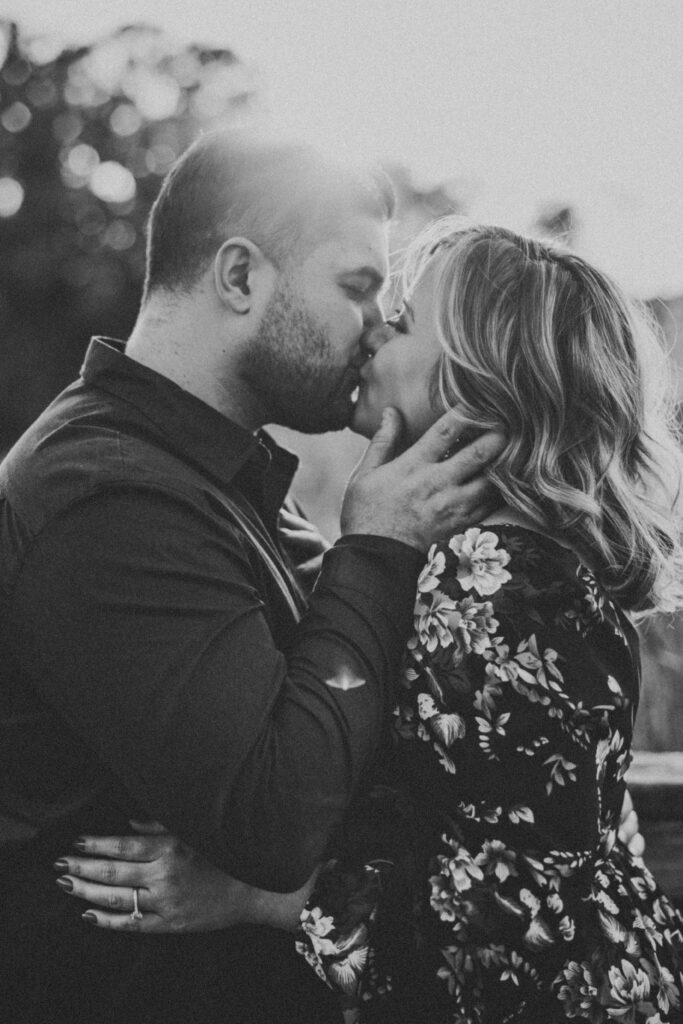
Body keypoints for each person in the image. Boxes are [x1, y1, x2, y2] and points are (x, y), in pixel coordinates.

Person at [61, 220, 683, 1023]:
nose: (375, 330)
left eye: (407, 320)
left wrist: (261, 897)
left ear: (477, 383)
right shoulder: (499, 562)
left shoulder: (494, 579)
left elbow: (529, 914)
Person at [0, 134, 504, 1024]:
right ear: (239, 278)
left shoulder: (223, 479)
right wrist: (379, 549)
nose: (379, 328)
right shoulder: (105, 498)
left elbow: (351, 748)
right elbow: (275, 818)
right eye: (357, 287)